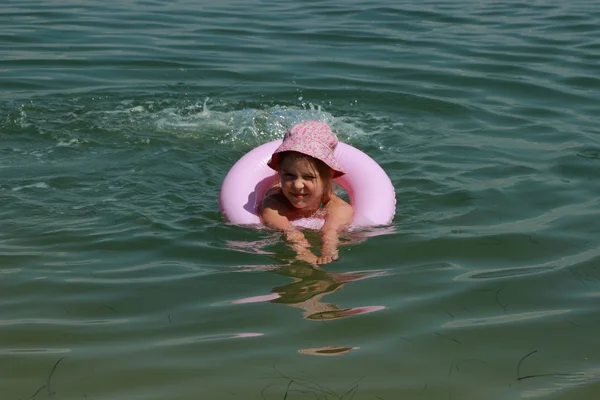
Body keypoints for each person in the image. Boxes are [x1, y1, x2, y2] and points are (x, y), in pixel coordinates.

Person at [259, 120, 353, 264]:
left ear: (327, 177)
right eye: (289, 175)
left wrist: (329, 242)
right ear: (280, 172)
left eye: (308, 177)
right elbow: (274, 217)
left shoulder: (335, 205)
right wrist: (300, 248)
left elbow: (337, 220)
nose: (297, 185)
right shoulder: (274, 202)